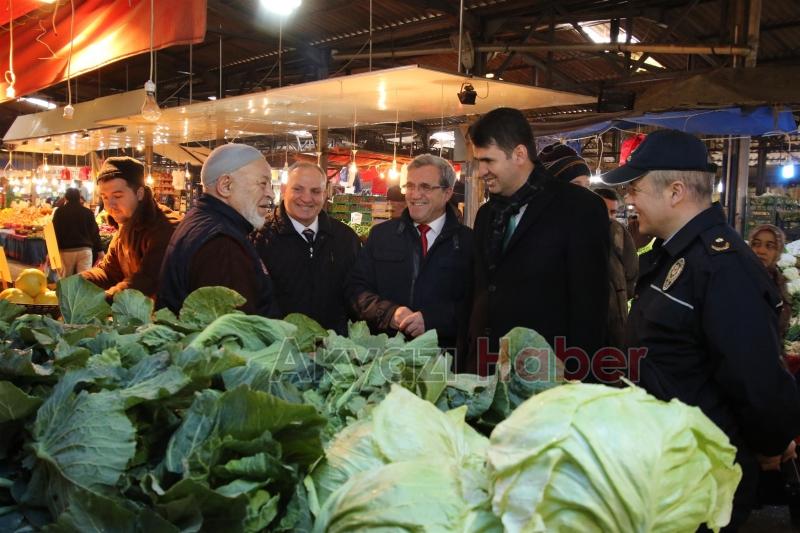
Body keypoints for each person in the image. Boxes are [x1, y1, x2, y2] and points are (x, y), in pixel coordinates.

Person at [602, 129, 800, 529]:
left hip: (701, 476)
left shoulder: (722, 266)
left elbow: (755, 375)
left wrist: (769, 443)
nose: (629, 200)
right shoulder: (679, 256)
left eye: (635, 189)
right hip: (667, 465)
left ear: (675, 191)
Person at [467, 108, 609, 377]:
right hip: (490, 369)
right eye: (478, 161)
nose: (481, 171)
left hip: (548, 375)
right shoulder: (487, 215)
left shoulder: (579, 208)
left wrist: (576, 380)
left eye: (488, 161)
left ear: (519, 154)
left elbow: (590, 308)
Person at [346, 154, 473, 362]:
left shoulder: (468, 243)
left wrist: (433, 320)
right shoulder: (380, 236)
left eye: (425, 187)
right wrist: (389, 314)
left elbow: (474, 304)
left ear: (447, 192)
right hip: (385, 360)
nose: (415, 194)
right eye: (410, 186)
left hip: (444, 363)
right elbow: (355, 290)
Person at [158, 143, 277, 316]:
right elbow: (232, 331)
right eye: (263, 183)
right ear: (226, 186)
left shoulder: (202, 222)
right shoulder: (222, 245)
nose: (271, 194)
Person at [252, 162, 360, 334]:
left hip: (334, 349)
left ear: (325, 194)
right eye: (298, 189)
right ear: (285, 190)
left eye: (315, 191)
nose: (307, 198)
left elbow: (356, 292)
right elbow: (255, 301)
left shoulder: (346, 238)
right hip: (280, 348)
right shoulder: (259, 239)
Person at [81, 157, 180, 299]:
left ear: (139, 194)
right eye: (105, 197)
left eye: (117, 196)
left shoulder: (164, 229)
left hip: (167, 317)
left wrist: (104, 299)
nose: (110, 205)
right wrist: (79, 282)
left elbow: (145, 282)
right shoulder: (125, 226)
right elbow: (109, 272)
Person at [749, 224, 792, 343]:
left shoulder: (778, 280)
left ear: (778, 251)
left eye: (770, 246)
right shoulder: (738, 279)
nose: (761, 251)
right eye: (756, 244)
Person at [52, 188, 103, 276]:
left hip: (65, 252)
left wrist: (51, 252)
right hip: (85, 251)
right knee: (83, 280)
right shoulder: (88, 212)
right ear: (79, 198)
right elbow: (94, 233)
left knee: (66, 281)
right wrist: (100, 250)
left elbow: (54, 232)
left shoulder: (59, 212)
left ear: (65, 198)